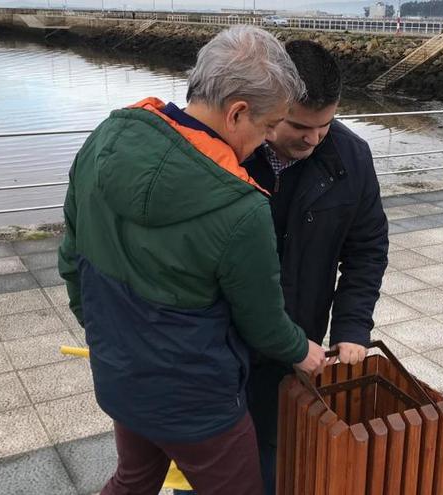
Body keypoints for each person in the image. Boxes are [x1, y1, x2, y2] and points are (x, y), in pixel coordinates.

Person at [58, 26, 328, 495]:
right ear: (237, 112)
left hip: (121, 375)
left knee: (134, 479)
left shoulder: (103, 141)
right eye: (267, 128)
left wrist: (109, 337)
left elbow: (70, 263)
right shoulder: (240, 207)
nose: (267, 142)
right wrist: (303, 351)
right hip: (197, 401)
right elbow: (262, 322)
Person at [242, 40, 389, 494]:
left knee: (275, 455)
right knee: (205, 466)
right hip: (223, 347)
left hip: (299, 344)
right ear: (269, 105)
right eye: (300, 126)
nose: (313, 138)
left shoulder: (352, 156)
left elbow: (367, 248)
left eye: (326, 125)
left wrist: (351, 327)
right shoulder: (227, 153)